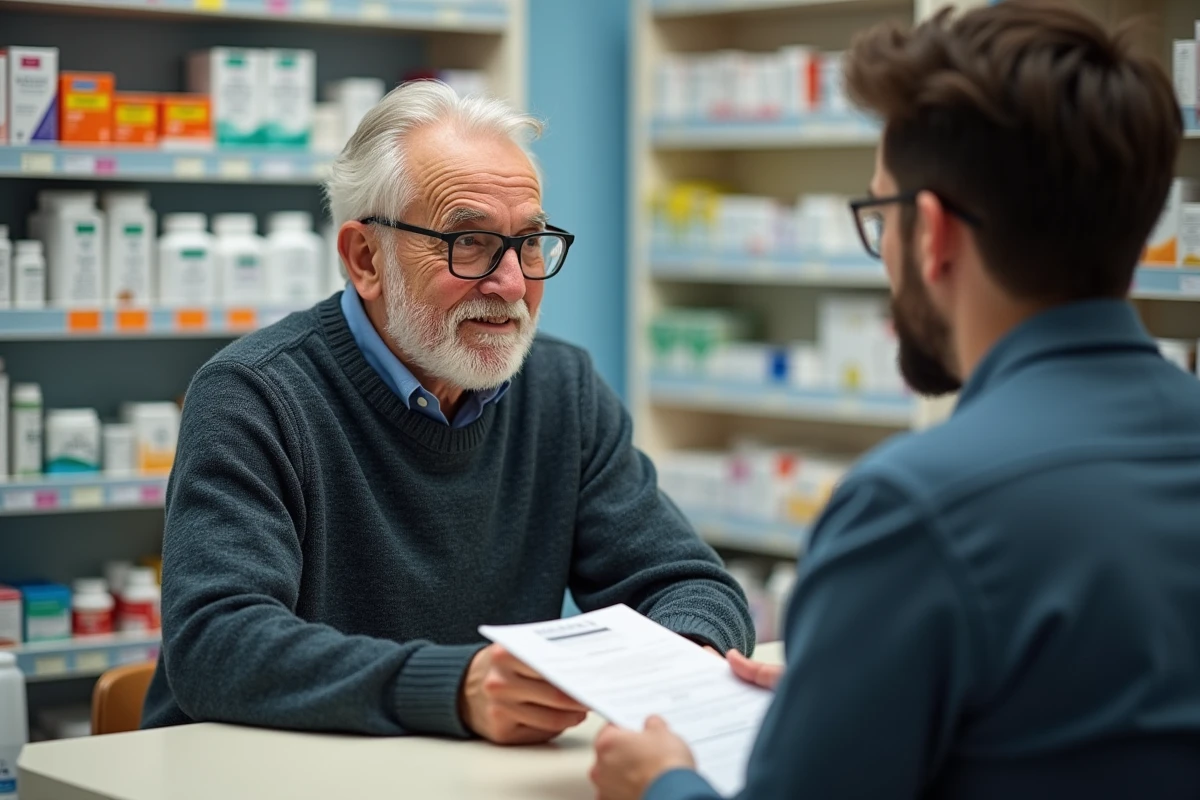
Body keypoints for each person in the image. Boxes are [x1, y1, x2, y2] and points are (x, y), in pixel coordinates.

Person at [590, 1, 1200, 797]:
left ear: (933, 234)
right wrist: (856, 694)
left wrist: (663, 783)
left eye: (880, 215)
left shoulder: (916, 509)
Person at [140, 80, 754, 743]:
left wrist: (683, 663)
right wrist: (453, 689)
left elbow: (690, 583)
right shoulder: (255, 395)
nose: (511, 284)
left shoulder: (562, 388)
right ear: (365, 258)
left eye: (529, 242)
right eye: (469, 242)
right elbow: (216, 644)